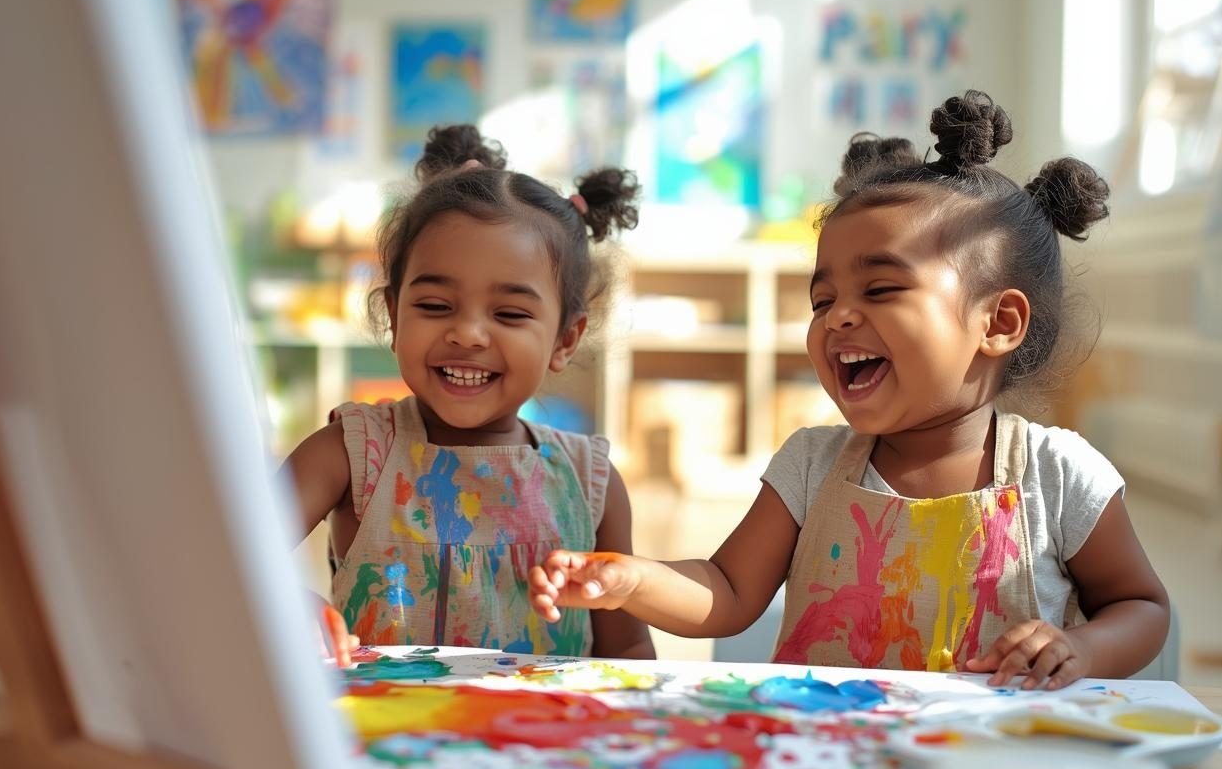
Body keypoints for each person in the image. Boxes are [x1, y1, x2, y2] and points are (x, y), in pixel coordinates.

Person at [531, 91, 1170, 690]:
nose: (837, 317)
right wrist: (632, 578)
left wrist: (1082, 647)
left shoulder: (1058, 476)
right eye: (822, 299)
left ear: (998, 323)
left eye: (882, 290)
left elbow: (1140, 605)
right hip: (829, 764)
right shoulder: (811, 465)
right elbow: (726, 590)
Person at [286, 124, 654, 664]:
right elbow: (227, 557)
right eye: (436, 306)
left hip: (540, 744)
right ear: (393, 314)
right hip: (387, 740)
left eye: (508, 314)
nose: (468, 334)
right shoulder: (352, 452)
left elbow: (627, 648)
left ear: (564, 339)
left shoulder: (589, 484)